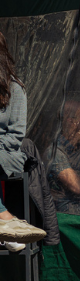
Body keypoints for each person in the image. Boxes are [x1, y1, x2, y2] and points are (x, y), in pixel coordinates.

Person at [0, 31, 45, 250]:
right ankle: (4, 221)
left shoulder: (15, 89)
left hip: (6, 153)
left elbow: (15, 136)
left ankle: (4, 219)